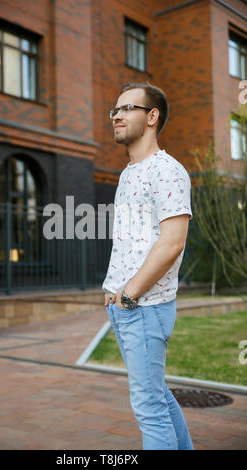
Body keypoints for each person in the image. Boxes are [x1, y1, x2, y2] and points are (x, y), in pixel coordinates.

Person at [102, 81, 194, 450]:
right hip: (127, 306)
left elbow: (172, 243)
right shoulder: (128, 173)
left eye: (127, 109)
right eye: (115, 110)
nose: (117, 116)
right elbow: (131, 241)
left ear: (152, 116)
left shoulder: (166, 170)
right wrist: (114, 289)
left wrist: (129, 295)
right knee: (156, 397)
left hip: (143, 308)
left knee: (148, 407)